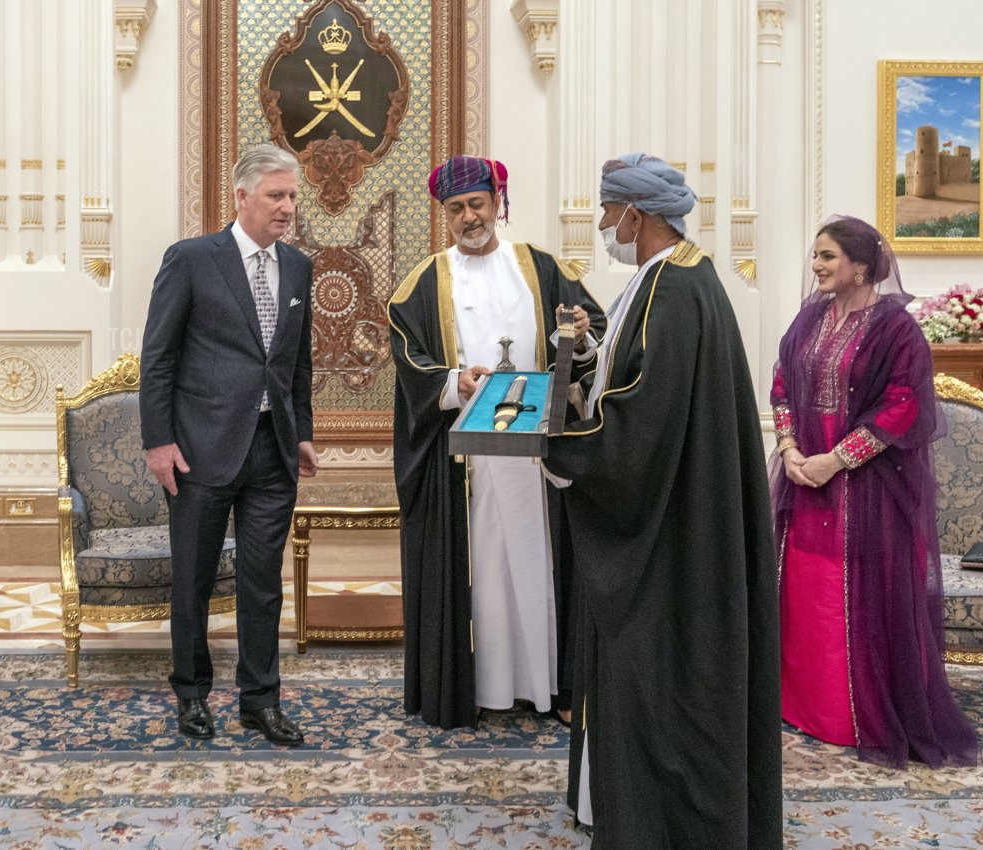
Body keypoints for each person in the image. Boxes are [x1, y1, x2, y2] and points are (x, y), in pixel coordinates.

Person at [543, 153, 782, 848]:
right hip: (687, 513)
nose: (601, 224)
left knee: (655, 673)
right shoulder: (673, 277)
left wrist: (564, 451)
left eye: (606, 211)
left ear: (635, 215)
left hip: (671, 535)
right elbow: (638, 378)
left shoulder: (670, 292)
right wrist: (589, 354)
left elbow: (637, 431)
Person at [387, 155, 606, 730]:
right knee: (482, 571)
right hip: (468, 463)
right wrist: (452, 382)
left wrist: (579, 339)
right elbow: (411, 361)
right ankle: (480, 687)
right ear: (445, 215)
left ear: (497, 203)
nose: (468, 217)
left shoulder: (539, 267)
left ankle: (554, 686)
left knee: (540, 566)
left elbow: (594, 335)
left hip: (539, 457)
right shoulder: (425, 282)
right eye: (456, 209)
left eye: (477, 204)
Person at [771, 215, 977, 769]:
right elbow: (782, 381)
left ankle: (851, 716)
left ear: (861, 264)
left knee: (857, 592)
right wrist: (791, 450)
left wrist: (835, 461)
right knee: (802, 589)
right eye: (815, 256)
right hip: (803, 479)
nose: (816, 266)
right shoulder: (809, 318)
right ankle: (800, 706)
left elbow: (903, 404)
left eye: (827, 256)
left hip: (868, 491)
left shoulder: (895, 328)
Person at [140, 143, 317, 747]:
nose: (288, 206)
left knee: (263, 581)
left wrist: (305, 434)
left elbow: (297, 363)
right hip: (199, 450)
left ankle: (259, 701)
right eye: (276, 195)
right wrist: (158, 442)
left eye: (293, 195)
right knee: (192, 579)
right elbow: (157, 359)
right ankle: (191, 695)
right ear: (241, 197)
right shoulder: (191, 259)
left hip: (273, 450)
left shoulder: (297, 267)